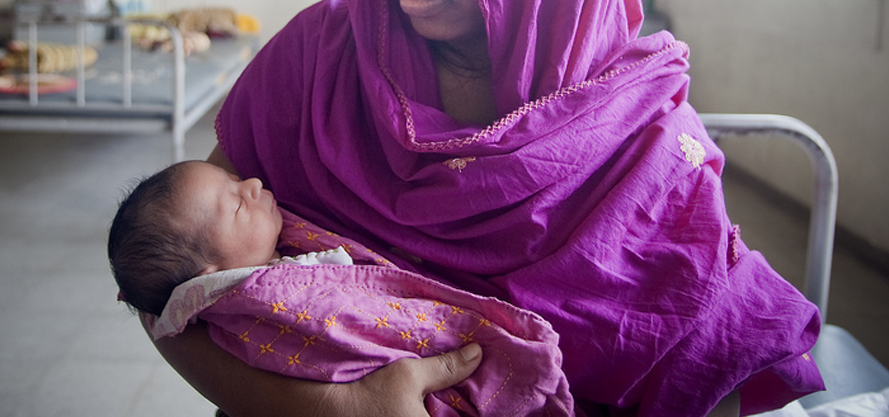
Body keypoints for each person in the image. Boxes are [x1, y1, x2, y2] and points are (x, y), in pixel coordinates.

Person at [152, 0, 825, 417]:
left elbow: (703, 355)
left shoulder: (642, 137)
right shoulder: (314, 67)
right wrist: (338, 408)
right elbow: (169, 290)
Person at [108, 160, 574, 416]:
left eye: (235, 180)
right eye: (235, 203)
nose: (251, 182)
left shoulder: (260, 256)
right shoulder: (261, 304)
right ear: (208, 278)